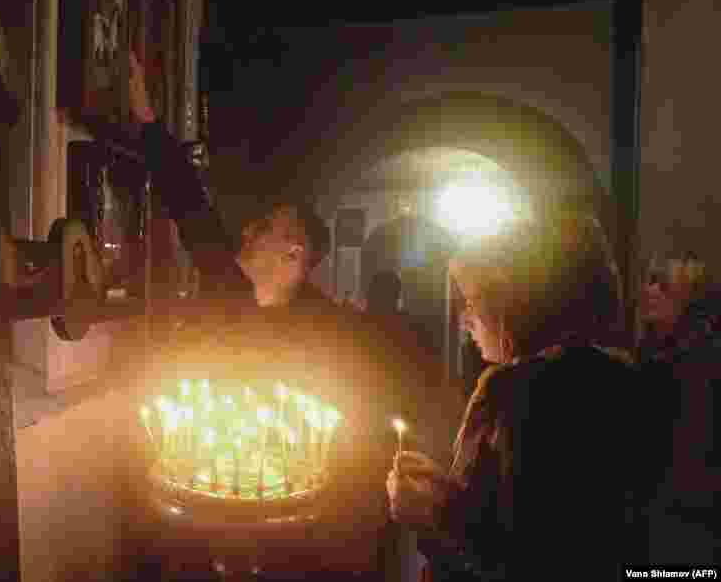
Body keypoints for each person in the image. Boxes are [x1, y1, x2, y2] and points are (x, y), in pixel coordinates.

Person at [129, 51, 452, 577]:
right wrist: (147, 125)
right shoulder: (225, 286)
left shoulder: (329, 329)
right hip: (211, 497)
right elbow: (189, 206)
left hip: (300, 535)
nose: (249, 231)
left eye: (267, 229)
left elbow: (384, 407)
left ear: (294, 256)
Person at [386, 213, 649, 581]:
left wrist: (431, 512)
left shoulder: (513, 392)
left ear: (516, 301)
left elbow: (518, 553)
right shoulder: (627, 379)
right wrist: (449, 491)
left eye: (474, 300)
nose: (466, 319)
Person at [636, 252, 721, 564]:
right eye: (649, 281)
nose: (650, 291)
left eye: (662, 283)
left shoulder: (691, 363)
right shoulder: (655, 358)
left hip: (685, 525)